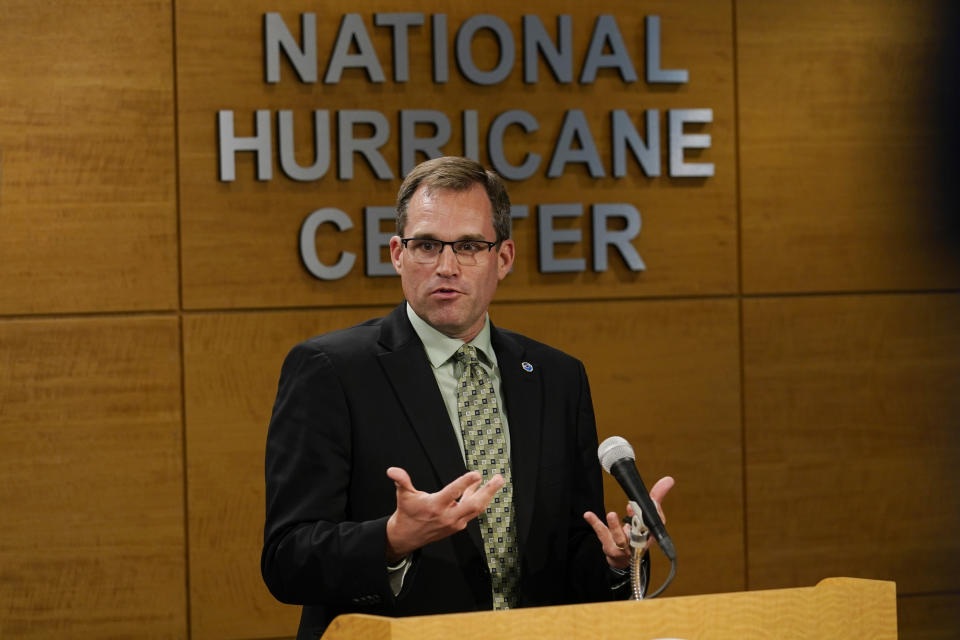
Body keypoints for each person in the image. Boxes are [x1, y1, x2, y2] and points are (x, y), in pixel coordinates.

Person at [261, 156, 673, 640]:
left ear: (503, 258)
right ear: (397, 253)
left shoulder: (557, 378)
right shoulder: (330, 372)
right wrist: (392, 540)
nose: (447, 266)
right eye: (427, 245)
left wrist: (619, 558)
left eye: (470, 246)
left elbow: (569, 559)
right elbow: (287, 558)